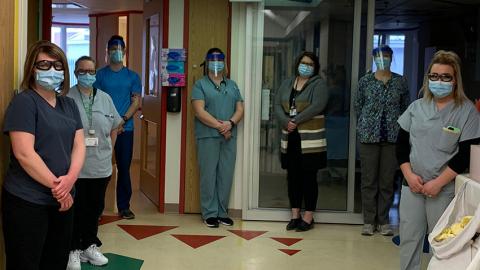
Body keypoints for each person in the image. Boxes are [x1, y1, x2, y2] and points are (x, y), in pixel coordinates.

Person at [2, 40, 85, 270]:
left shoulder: (69, 105)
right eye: (44, 64)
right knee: (26, 263)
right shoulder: (24, 102)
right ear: (32, 68)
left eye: (58, 65)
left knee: (56, 261)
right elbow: (24, 153)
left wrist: (69, 181)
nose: (52, 70)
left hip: (64, 199)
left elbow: (79, 145)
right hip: (28, 200)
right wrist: (60, 189)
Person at [396, 50, 480, 270]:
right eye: (434, 76)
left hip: (442, 190)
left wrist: (438, 183)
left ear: (455, 80)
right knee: (409, 240)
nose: (439, 81)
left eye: (445, 77)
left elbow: (465, 155)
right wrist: (408, 175)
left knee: (441, 244)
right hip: (411, 186)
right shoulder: (416, 107)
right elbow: (401, 146)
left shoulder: (467, 111)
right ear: (427, 78)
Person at [66, 56, 123, 270]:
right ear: (75, 73)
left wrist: (108, 152)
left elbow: (114, 127)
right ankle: (73, 250)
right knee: (76, 210)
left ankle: (89, 246)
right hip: (76, 168)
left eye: (91, 71)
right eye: (82, 71)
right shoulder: (66, 98)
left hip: (101, 166)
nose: (87, 75)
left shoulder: (105, 98)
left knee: (94, 209)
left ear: (96, 74)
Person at [355, 45, 410, 236]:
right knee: (369, 180)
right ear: (374, 58)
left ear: (391, 58)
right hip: (368, 137)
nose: (383, 59)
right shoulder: (365, 81)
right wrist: (366, 125)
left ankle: (384, 221)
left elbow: (405, 108)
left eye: (386, 56)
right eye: (379, 56)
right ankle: (369, 221)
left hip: (392, 138)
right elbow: (358, 106)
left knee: (387, 181)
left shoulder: (400, 82)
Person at [274, 51, 328, 232]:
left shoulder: (319, 84)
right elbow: (277, 105)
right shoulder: (288, 83)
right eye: (303, 63)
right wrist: (285, 122)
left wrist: (295, 121)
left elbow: (317, 106)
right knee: (293, 178)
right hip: (291, 140)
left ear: (315, 67)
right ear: (297, 64)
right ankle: (295, 215)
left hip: (310, 141)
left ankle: (308, 217)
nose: (306, 66)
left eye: (310, 64)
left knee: (309, 179)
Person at [192, 48, 244, 228]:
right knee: (208, 175)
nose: (217, 63)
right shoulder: (200, 85)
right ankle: (210, 213)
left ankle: (222, 212)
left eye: (220, 60)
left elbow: (240, 109)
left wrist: (230, 123)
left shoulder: (232, 85)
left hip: (229, 136)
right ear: (207, 63)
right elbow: (199, 111)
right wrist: (221, 127)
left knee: (225, 175)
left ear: (224, 63)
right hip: (208, 136)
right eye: (213, 60)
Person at [93, 35, 141, 219]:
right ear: (107, 51)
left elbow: (136, 102)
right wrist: (108, 123)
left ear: (124, 51)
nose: (116, 51)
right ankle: (96, 208)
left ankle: (124, 206)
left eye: (119, 48)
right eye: (112, 48)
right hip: (103, 129)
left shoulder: (132, 76)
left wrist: (122, 120)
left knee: (124, 167)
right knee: (99, 168)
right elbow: (94, 99)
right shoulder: (99, 75)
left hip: (125, 129)